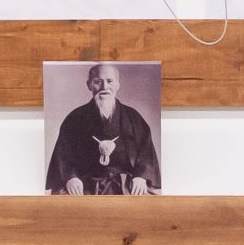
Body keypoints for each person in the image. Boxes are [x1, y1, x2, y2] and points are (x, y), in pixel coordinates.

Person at [46, 63, 161, 196]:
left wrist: (141, 177)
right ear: (89, 84)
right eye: (97, 82)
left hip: (127, 182)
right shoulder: (75, 118)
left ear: (118, 84)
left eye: (110, 81)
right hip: (84, 183)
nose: (104, 87)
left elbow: (146, 152)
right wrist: (71, 178)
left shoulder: (132, 117)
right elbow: (63, 154)